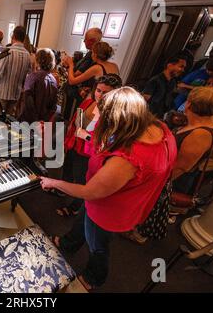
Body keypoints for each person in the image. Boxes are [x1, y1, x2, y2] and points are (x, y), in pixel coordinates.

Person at [40, 87, 177, 290]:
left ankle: (94, 277)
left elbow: (90, 192)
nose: (96, 115)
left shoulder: (129, 159)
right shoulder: (158, 128)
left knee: (98, 246)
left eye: (101, 114)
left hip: (108, 209)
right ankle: (69, 243)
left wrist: (53, 182)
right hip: (107, 200)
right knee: (83, 218)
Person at [57, 74, 123, 220]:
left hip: (88, 155)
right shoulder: (89, 102)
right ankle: (61, 190)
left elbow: (106, 143)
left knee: (83, 182)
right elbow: (75, 122)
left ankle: (75, 208)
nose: (101, 95)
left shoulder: (113, 116)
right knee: (67, 170)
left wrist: (85, 136)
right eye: (99, 90)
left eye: (106, 93)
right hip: (74, 146)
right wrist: (69, 140)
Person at [172, 87, 213, 197]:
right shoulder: (201, 123)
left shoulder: (201, 134)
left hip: (173, 183)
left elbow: (180, 167)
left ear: (189, 104)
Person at [63, 28, 102, 121]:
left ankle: (62, 134)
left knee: (68, 118)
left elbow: (75, 76)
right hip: (77, 93)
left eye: (85, 39)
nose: (84, 41)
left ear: (92, 41)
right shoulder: (90, 54)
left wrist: (70, 64)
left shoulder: (91, 56)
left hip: (76, 93)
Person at [0, 26, 31, 114]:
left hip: (3, 92)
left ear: (13, 36)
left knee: (0, 118)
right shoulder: (27, 55)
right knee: (9, 118)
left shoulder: (7, 51)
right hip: (16, 93)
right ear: (24, 38)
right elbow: (28, 75)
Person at [17, 48, 58, 123]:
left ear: (38, 60)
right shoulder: (54, 80)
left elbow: (28, 103)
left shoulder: (32, 77)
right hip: (44, 122)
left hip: (29, 121)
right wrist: (45, 120)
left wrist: (36, 121)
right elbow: (54, 106)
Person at [142, 54, 187, 118]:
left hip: (161, 117)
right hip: (149, 117)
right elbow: (144, 101)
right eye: (181, 66)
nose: (183, 70)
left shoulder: (172, 82)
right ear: (170, 65)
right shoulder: (155, 81)